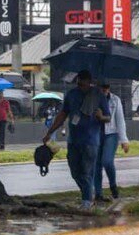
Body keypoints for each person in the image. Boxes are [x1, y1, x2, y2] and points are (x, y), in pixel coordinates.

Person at [43, 70, 111, 210]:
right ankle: (89, 193)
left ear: (89, 82)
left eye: (83, 83)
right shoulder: (72, 94)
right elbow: (63, 114)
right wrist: (50, 132)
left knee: (87, 171)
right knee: (75, 171)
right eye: (79, 83)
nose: (81, 86)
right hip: (74, 140)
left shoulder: (98, 95)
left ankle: (87, 200)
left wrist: (101, 117)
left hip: (91, 141)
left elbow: (108, 117)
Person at [94, 83, 129, 202]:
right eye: (101, 87)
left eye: (106, 88)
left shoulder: (115, 100)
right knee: (96, 165)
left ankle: (113, 186)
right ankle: (98, 193)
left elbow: (120, 120)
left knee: (107, 161)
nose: (104, 90)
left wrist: (124, 140)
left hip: (111, 134)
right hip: (96, 134)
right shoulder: (92, 99)